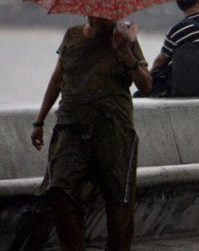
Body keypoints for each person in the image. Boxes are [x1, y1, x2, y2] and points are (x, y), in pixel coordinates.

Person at [30, 16, 152, 250]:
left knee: (118, 202)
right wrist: (40, 120)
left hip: (114, 130)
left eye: (102, 13)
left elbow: (146, 84)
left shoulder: (125, 38)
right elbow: (57, 79)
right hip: (71, 128)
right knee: (59, 188)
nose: (95, 17)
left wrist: (126, 52)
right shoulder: (72, 36)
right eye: (91, 11)